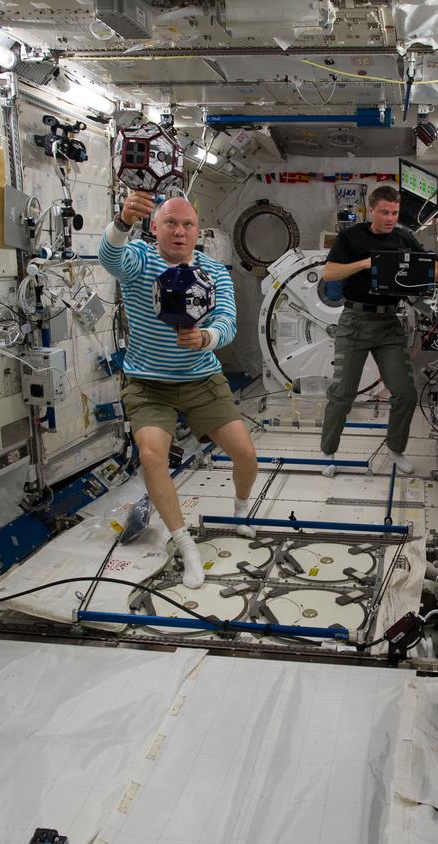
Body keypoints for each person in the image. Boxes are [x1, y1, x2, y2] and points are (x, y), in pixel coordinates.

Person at [100, 191, 259, 589]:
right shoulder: (139, 259)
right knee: (152, 456)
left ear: (197, 231)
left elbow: (227, 322)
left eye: (188, 224)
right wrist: (121, 223)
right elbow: (110, 258)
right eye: (170, 223)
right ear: (155, 227)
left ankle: (241, 511)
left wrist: (206, 337)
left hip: (201, 379)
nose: (179, 231)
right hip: (148, 384)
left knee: (245, 454)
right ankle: (185, 544)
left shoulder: (213, 271)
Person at [319, 184, 437, 477]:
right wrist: (366, 264)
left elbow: (435, 269)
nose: (390, 218)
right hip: (355, 322)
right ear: (371, 210)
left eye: (394, 213)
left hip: (389, 324)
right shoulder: (351, 237)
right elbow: (329, 273)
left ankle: (396, 449)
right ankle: (328, 452)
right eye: (384, 212)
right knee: (342, 394)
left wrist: (411, 269)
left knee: (406, 394)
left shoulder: (403, 237)